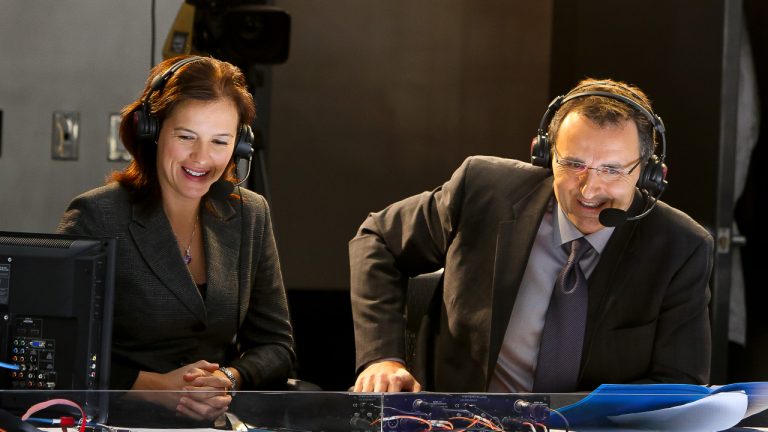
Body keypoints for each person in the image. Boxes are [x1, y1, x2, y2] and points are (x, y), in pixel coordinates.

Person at [349, 78, 714, 393]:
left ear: (650, 173)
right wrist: (383, 358)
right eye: (573, 164)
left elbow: (678, 385)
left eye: (612, 169)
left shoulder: (681, 247)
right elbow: (377, 239)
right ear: (543, 155)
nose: (589, 189)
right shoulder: (481, 190)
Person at [57, 55, 295, 422]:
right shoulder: (97, 215)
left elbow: (277, 346)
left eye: (220, 141)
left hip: (213, 421)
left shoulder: (250, 214)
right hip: (118, 420)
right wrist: (155, 387)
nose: (202, 158)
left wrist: (227, 379)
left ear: (240, 146)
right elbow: (59, 349)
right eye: (186, 137)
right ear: (152, 131)